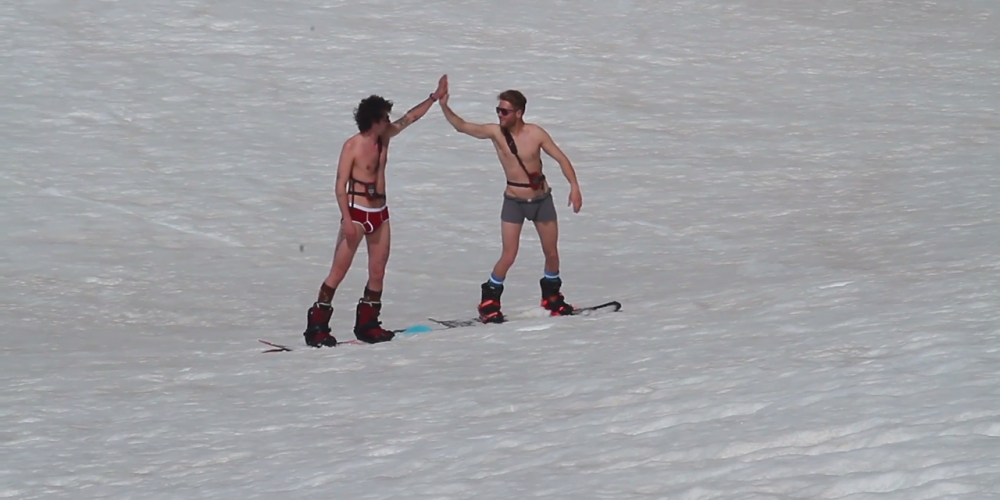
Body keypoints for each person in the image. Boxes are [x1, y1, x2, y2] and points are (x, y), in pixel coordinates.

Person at [303, 75, 448, 347]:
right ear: (373, 120)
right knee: (339, 271)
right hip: (357, 212)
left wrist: (434, 97)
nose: (388, 121)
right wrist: (347, 220)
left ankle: (368, 323)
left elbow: (410, 118)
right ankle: (317, 326)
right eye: (384, 117)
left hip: (380, 212)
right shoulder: (353, 146)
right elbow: (339, 185)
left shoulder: (385, 136)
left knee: (378, 271)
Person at [438, 83, 583, 323]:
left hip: (541, 200)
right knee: (509, 254)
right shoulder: (496, 133)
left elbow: (561, 158)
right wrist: (445, 106)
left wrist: (574, 186)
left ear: (519, 113)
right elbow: (462, 126)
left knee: (551, 253)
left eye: (504, 111)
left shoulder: (536, 134)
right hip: (514, 201)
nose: (500, 115)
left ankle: (552, 297)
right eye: (498, 110)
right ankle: (489, 301)